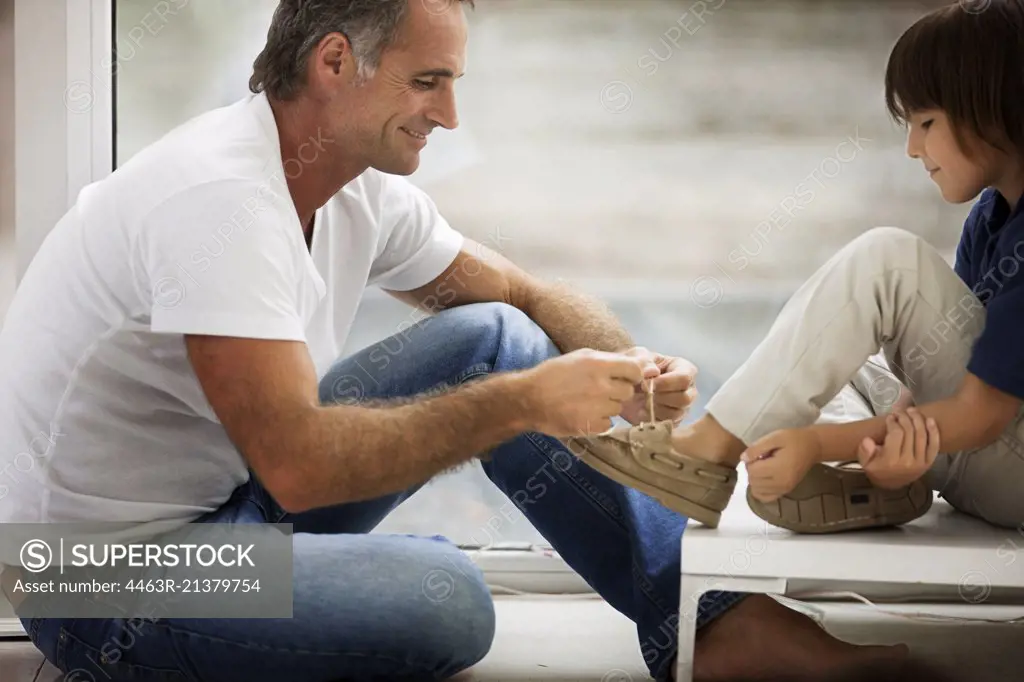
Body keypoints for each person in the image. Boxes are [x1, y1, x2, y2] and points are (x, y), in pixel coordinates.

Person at [0, 0, 907, 681]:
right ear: (333, 63)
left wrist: (632, 371)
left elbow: (520, 295)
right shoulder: (220, 202)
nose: (449, 115)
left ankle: (715, 623)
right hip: (97, 581)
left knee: (497, 335)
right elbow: (301, 468)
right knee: (446, 599)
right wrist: (523, 404)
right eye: (428, 82)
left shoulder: (348, 178)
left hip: (222, 511)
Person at [574, 0, 1024, 536]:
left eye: (926, 122)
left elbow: (982, 413)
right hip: (984, 457)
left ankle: (708, 451)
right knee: (826, 361)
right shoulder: (991, 216)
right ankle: (874, 481)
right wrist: (893, 445)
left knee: (888, 263)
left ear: (997, 105)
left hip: (1006, 464)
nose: (911, 148)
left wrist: (817, 441)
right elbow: (942, 371)